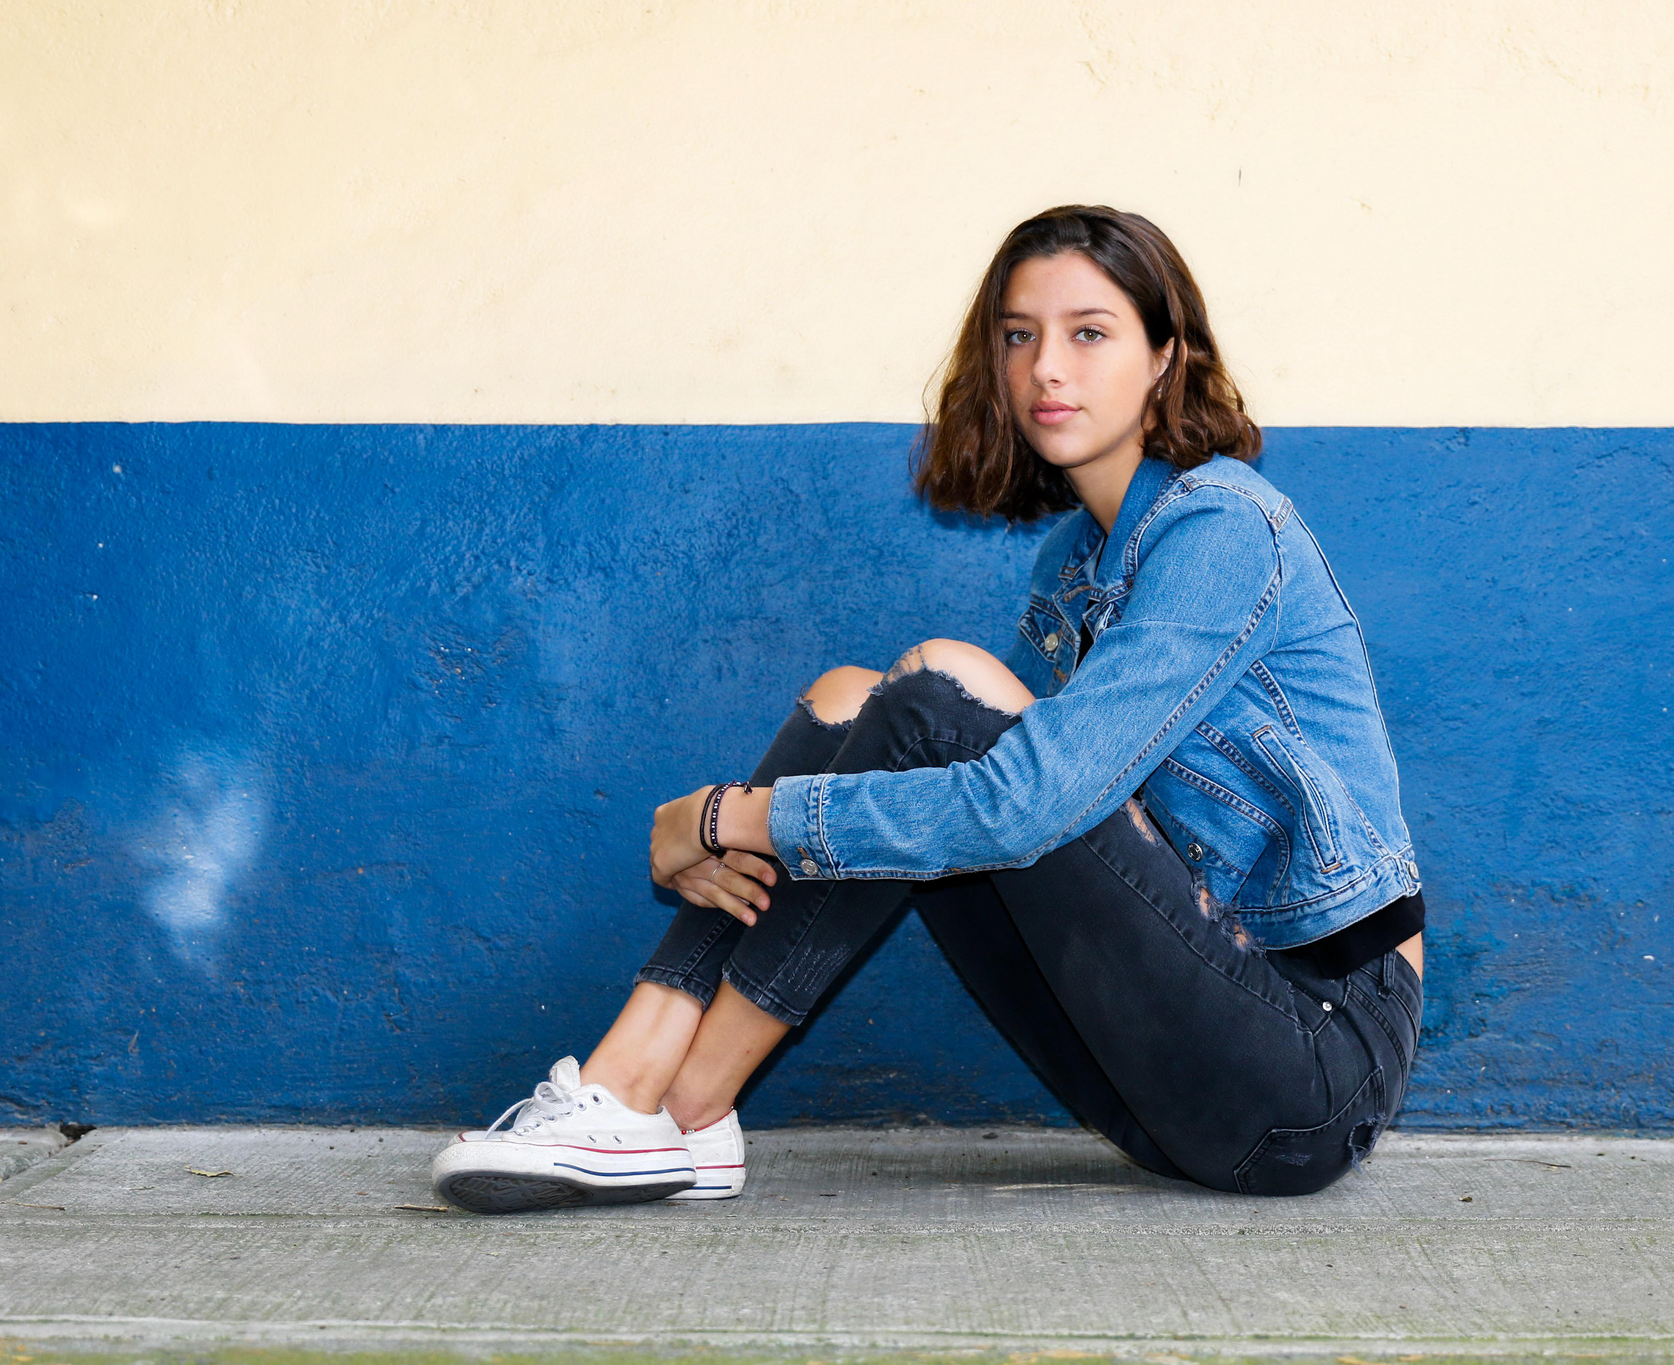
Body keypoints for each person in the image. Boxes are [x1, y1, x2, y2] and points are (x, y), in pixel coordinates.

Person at [430, 205, 1424, 1212]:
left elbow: (1019, 802)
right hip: (1154, 1089)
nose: (1046, 368)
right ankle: (662, 1098)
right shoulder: (1071, 567)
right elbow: (982, 797)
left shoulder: (1225, 528)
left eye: (1090, 332)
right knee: (853, 701)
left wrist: (728, 816)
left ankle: (663, 1096)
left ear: (1166, 356)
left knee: (932, 700)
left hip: (1309, 1071)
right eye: (1018, 335)